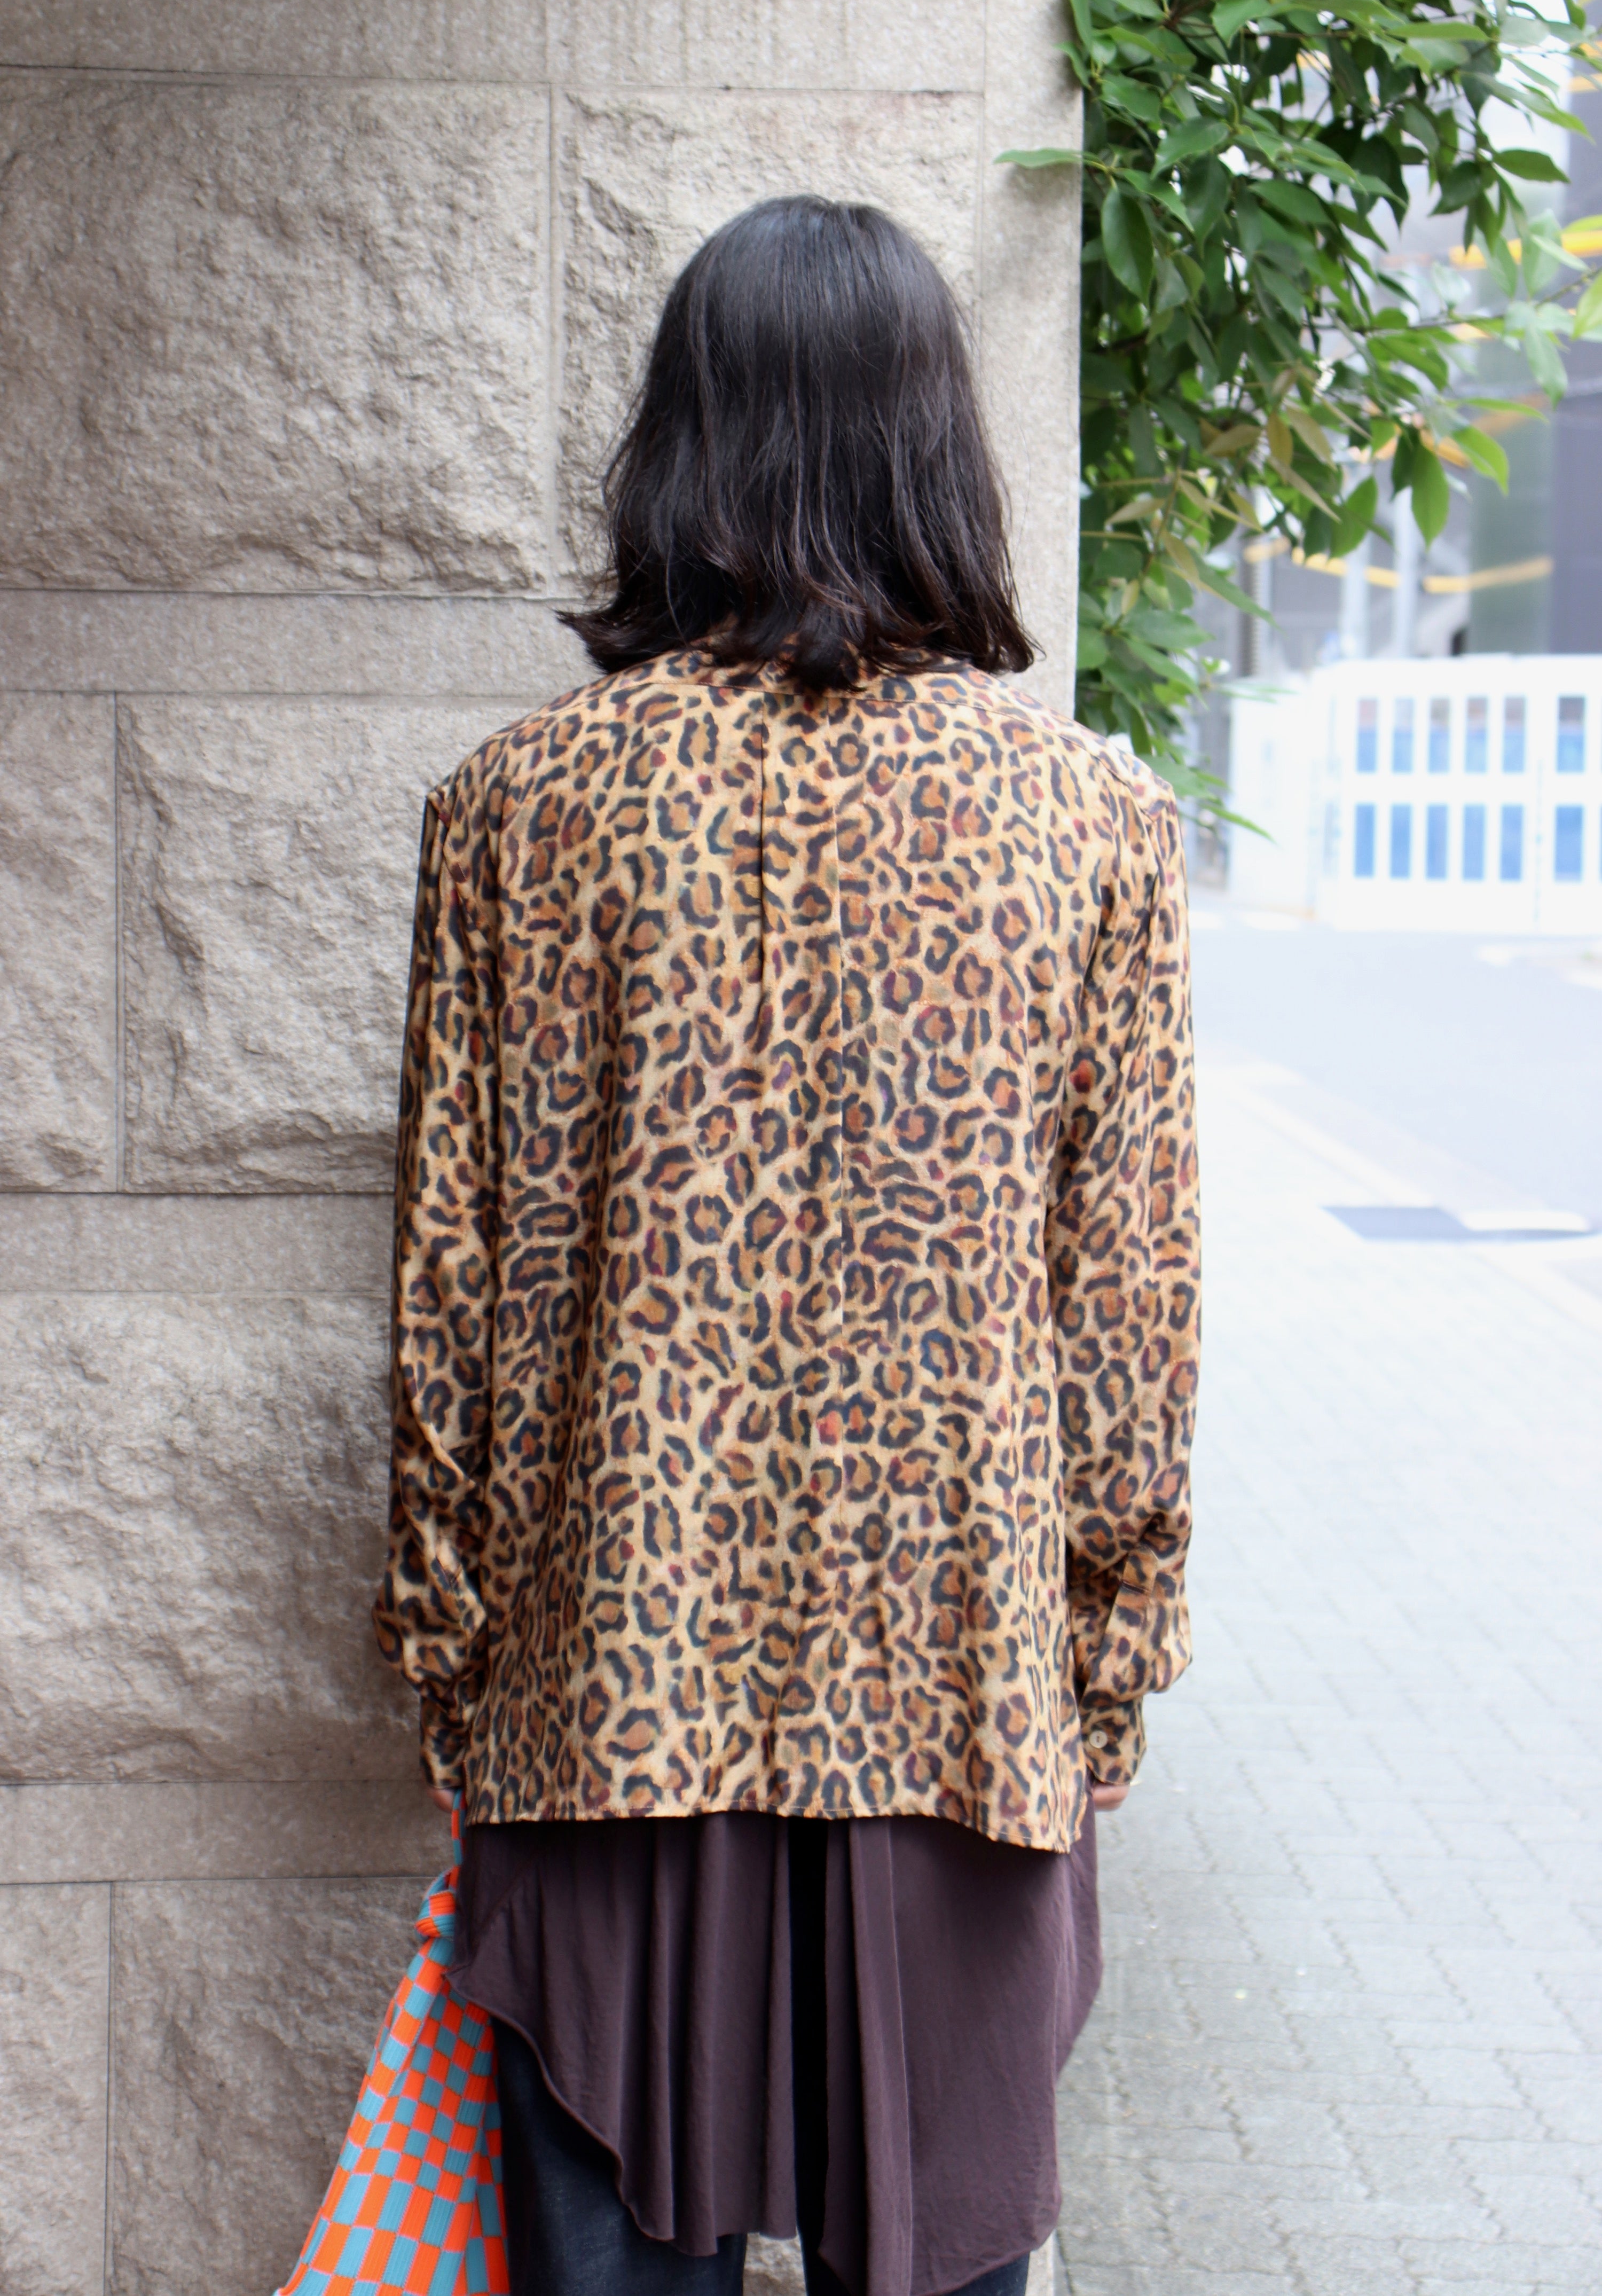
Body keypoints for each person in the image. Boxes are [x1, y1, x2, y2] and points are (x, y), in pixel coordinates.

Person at [374, 194, 1198, 2296]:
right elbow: (1129, 1312)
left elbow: (448, 1293)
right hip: (959, 1692)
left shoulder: (518, 811)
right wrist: (1103, 1664)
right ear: (938, 449)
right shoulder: (1086, 825)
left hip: (610, 1691)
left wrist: (453, 1652)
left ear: (682, 443)